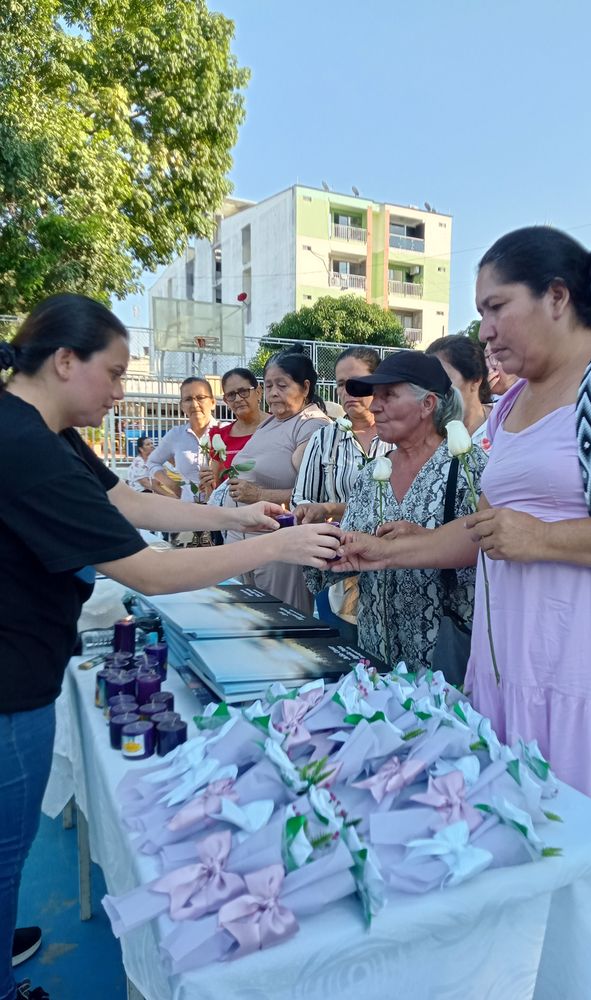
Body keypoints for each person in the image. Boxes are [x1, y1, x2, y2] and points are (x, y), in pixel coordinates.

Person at [335, 227, 591, 999]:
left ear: (557, 297)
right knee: (536, 891)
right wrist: (389, 552)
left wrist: (548, 539)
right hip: (512, 687)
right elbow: (494, 531)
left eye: (497, 306)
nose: (485, 329)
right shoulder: (515, 404)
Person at [0, 294, 341, 1000]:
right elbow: (148, 571)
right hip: (10, 682)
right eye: (114, 373)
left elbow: (127, 504)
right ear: (64, 361)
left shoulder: (45, 429)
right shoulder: (23, 444)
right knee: (6, 853)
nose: (121, 393)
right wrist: (277, 544)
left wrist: (239, 518)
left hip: (25, 661)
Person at [315, 350, 485, 671]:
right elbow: (351, 550)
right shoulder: (372, 472)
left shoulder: (467, 467)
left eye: (388, 395)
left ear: (427, 404)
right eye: (374, 396)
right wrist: (318, 544)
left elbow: (491, 549)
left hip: (441, 656)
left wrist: (430, 539)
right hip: (376, 649)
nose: (374, 406)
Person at [292, 347, 394, 637]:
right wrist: (312, 512)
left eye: (357, 382)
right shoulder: (325, 438)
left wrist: (332, 508)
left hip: (393, 564)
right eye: (340, 384)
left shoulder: (399, 435)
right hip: (340, 563)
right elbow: (302, 498)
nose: (348, 391)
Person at [220, 351, 331, 610]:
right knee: (245, 618)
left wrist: (259, 496)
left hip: (277, 542)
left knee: (280, 619)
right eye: (268, 386)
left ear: (305, 388)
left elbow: (315, 494)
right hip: (242, 536)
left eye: (282, 385)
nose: (273, 393)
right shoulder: (270, 422)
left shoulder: (311, 425)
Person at [146, 376, 217, 500]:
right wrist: (173, 486)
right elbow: (152, 462)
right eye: (188, 399)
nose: (194, 404)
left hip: (223, 507)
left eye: (200, 398)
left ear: (212, 402)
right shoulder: (176, 435)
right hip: (189, 506)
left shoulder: (227, 431)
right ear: (182, 406)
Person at [426, 335, 493, 445]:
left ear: (476, 380)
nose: (432, 389)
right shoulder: (427, 434)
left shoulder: (504, 423)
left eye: (443, 378)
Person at [206, 367, 265, 483]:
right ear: (226, 401)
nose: (238, 399)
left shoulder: (279, 426)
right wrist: (207, 482)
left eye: (244, 391)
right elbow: (215, 484)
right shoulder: (219, 438)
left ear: (258, 392)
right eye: (231, 395)